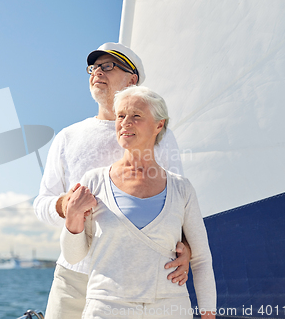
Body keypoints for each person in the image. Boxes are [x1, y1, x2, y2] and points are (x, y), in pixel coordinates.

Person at [34, 43, 191, 319]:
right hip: (74, 277)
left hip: (134, 278)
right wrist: (65, 205)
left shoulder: (160, 136)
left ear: (132, 80)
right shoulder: (67, 137)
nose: (97, 72)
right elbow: (42, 204)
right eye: (93, 68)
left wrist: (186, 248)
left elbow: (179, 201)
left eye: (108, 66)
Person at [61, 86, 216, 318]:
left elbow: (201, 259)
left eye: (136, 116)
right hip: (105, 309)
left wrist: (208, 314)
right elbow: (74, 256)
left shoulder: (181, 188)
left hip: (170, 309)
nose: (125, 122)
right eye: (121, 116)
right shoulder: (93, 182)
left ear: (159, 125)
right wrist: (73, 216)